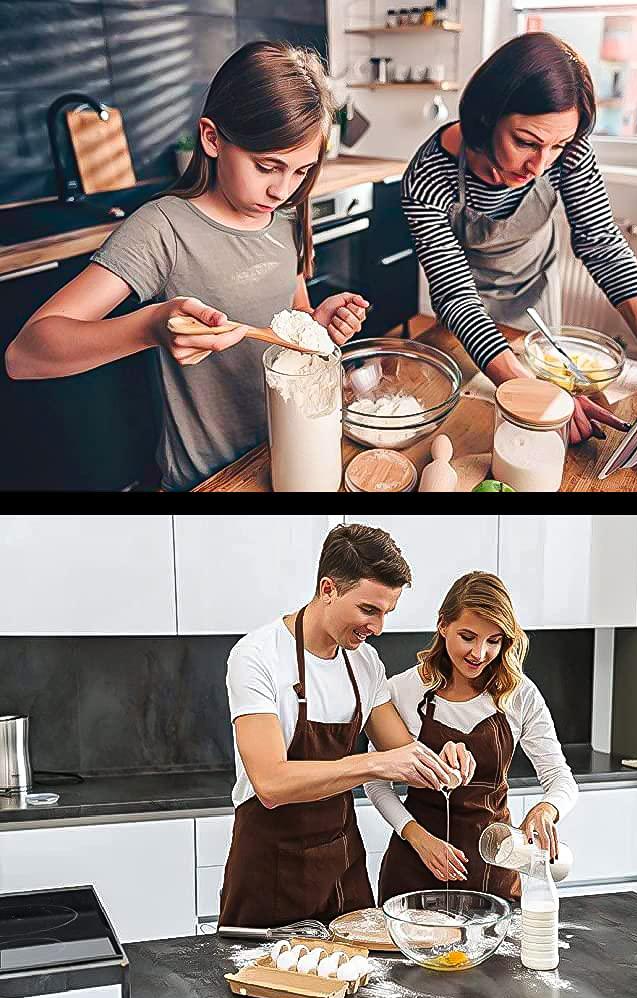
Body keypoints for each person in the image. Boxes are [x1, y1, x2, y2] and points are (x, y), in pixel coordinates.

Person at [6, 42, 369, 490]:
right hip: (209, 478)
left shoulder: (287, 218)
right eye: (266, 167)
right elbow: (24, 355)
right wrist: (150, 327)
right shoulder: (162, 229)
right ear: (212, 138)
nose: (283, 190)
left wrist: (314, 325)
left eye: (300, 172)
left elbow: (286, 322)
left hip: (283, 453)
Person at [400, 32, 637, 445]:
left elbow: (604, 248)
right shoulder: (427, 177)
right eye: (525, 142)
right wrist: (533, 393)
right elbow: (455, 296)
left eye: (556, 146)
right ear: (486, 117)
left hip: (537, 297)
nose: (539, 165)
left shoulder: (569, 150)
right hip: (467, 312)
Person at [220, 524, 469, 928]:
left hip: (342, 868)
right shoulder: (257, 656)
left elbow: (403, 753)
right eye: (368, 610)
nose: (377, 628)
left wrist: (445, 761)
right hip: (270, 869)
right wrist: (372, 765)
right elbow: (270, 784)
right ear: (328, 589)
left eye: (386, 613)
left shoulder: (365, 663)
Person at [368, 571, 579, 902]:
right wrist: (418, 838)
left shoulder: (518, 694)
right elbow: (376, 782)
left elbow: (561, 779)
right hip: (415, 868)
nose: (479, 653)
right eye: (468, 637)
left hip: (494, 869)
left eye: (493, 641)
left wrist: (547, 808)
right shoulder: (402, 691)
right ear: (443, 625)